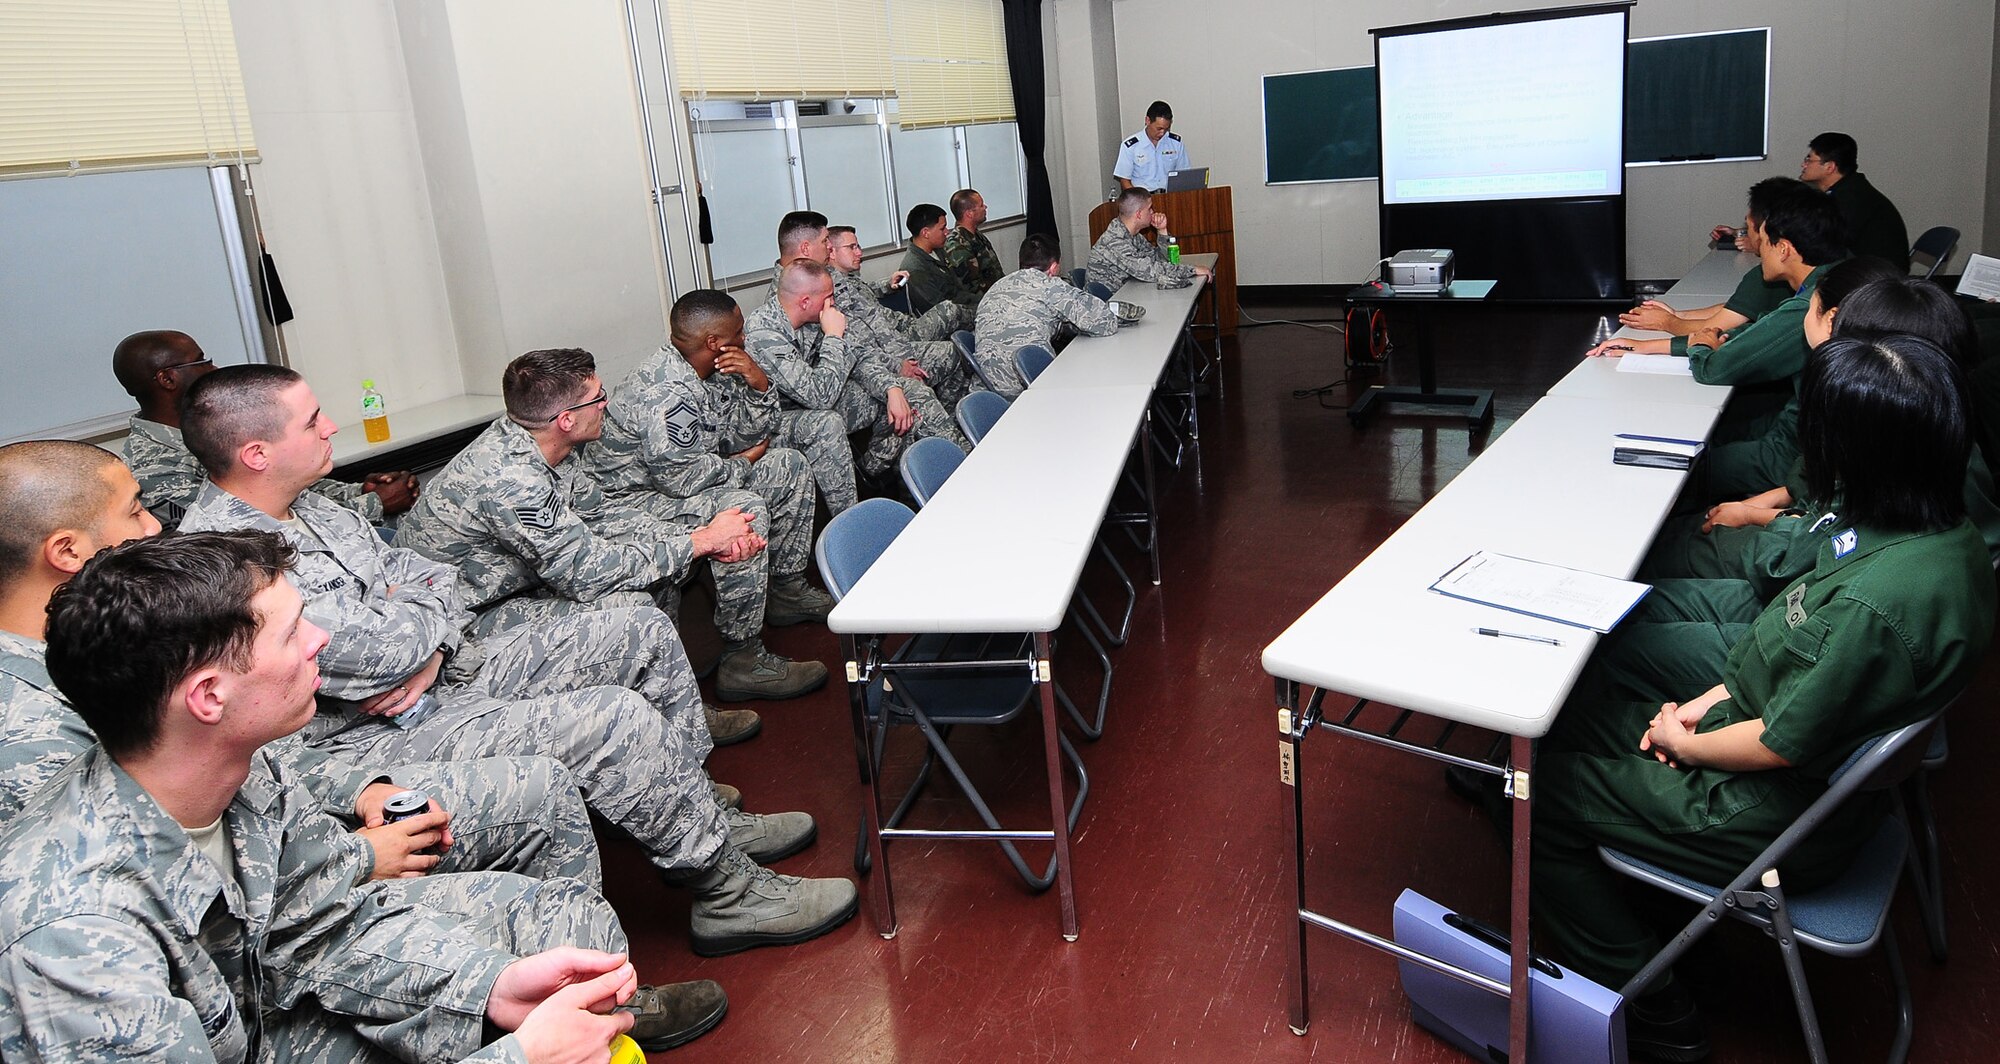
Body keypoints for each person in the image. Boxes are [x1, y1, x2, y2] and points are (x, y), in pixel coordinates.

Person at [0, 441, 730, 1052]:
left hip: (262, 999)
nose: (320, 640)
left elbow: (321, 928)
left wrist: (486, 989)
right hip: (238, 1032)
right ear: (208, 699)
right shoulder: (75, 934)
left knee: (555, 934)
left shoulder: (239, 771)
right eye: (290, 632)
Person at [175, 365, 856, 956]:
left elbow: (431, 581)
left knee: (638, 629)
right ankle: (724, 889)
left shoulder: (317, 510)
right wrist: (417, 637)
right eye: (312, 420)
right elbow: (377, 656)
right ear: (258, 452)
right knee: (612, 720)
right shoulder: (226, 563)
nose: (331, 428)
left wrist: (429, 644)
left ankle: (699, 806)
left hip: (441, 674)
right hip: (371, 739)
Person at [1524, 335, 1995, 1062]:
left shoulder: (1877, 602)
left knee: (1539, 790)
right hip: (1789, 755)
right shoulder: (1939, 534)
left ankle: (1651, 1006)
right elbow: (1779, 658)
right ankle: (1630, 848)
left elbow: (1780, 741)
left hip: (1780, 814)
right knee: (1582, 719)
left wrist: (1685, 740)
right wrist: (1700, 706)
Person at [396, 349, 827, 700]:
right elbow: (587, 575)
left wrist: (707, 538)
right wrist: (698, 542)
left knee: (666, 559)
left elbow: (602, 514)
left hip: (523, 579)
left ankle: (699, 685)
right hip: (461, 623)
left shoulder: (550, 445)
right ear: (567, 419)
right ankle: (664, 716)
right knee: (632, 602)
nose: (608, 403)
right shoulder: (511, 479)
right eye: (598, 397)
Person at [582, 290, 837, 650]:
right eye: (739, 333)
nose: (744, 338)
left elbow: (741, 437)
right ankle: (742, 653)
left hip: (677, 480)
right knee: (743, 510)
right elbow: (682, 480)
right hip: (631, 499)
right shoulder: (667, 391)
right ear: (714, 341)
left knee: (788, 466)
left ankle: (786, 589)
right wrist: (742, 464)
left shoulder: (711, 370)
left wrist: (759, 384)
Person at [1587, 179, 1849, 500]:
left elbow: (1716, 367)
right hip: (1802, 435)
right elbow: (1750, 335)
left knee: (1668, 469)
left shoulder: (1809, 306)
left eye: (1761, 239)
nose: (1756, 246)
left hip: (1796, 454)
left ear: (1784, 249)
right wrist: (1655, 346)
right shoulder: (1838, 277)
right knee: (1701, 433)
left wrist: (1695, 346)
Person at [113, 329, 417, 529]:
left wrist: (358, 491)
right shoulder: (153, 469)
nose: (214, 369)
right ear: (167, 379)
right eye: (202, 361)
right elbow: (246, 528)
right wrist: (375, 504)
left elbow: (285, 483)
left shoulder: (217, 425)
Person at [746, 260, 970, 487]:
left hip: (827, 390)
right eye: (829, 297)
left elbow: (861, 355)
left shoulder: (815, 315)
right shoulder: (764, 333)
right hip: (788, 416)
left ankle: (888, 470)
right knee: (833, 420)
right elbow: (818, 397)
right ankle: (955, 472)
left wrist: (891, 387)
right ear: (805, 301)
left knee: (909, 393)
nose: (833, 302)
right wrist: (834, 336)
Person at [784, 213, 968, 409]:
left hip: (884, 347)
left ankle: (955, 417)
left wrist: (886, 285)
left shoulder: (831, 277)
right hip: (862, 366)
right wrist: (897, 366)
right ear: (806, 247)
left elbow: (861, 299)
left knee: (952, 350)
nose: (828, 248)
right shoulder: (802, 292)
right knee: (918, 391)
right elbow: (854, 342)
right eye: (825, 242)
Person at [1626, 177, 1799, 338]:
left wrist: (1666, 322)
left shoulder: (1767, 276)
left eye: (1749, 226)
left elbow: (1714, 329)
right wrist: (1677, 315)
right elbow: (1734, 309)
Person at [972, 233, 1119, 397]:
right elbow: (1106, 323)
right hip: (1028, 389)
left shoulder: (997, 286)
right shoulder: (1051, 286)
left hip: (987, 392)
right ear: (1055, 267)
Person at [1801, 131, 1909, 270]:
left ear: (1830, 167)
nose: (1804, 165)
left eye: (1809, 160)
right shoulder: (1847, 189)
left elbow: (1827, 244)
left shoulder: (1852, 197)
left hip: (1880, 278)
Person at [1086, 188, 1212, 294]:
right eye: (1150, 208)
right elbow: (1149, 270)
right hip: (1108, 309)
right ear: (1139, 214)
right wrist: (1192, 270)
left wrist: (1162, 231)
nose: (1153, 212)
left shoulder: (1132, 235)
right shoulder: (1115, 240)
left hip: (1127, 295)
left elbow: (1159, 260)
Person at [899, 203, 983, 317]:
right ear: (925, 233)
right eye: (942, 228)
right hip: (953, 321)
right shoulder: (915, 269)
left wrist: (983, 302)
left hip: (967, 308)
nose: (947, 232)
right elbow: (939, 312)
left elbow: (957, 291)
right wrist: (979, 311)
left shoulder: (939, 251)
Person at [1114, 100, 1188, 193]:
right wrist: (1139, 200)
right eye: (1159, 128)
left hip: (1169, 197)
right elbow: (1124, 181)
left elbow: (1184, 176)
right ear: (1147, 121)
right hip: (1143, 199)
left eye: (1166, 129)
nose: (1162, 133)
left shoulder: (1176, 143)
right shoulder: (1131, 146)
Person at [943, 188, 1005, 296]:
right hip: (983, 303)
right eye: (981, 205)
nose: (985, 207)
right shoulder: (957, 245)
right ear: (969, 214)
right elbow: (971, 289)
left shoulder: (977, 236)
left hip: (997, 296)